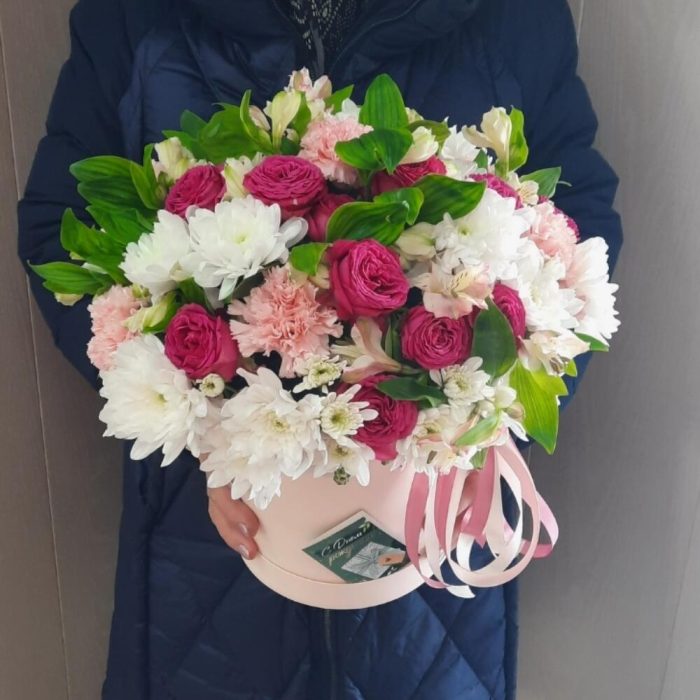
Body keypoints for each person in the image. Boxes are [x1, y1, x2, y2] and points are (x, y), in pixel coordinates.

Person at [17, 1, 623, 698]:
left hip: (436, 520)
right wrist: (206, 423)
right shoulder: (133, 16)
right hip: (210, 520)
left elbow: (574, 227)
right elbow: (62, 232)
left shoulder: (513, 15)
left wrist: (485, 418)